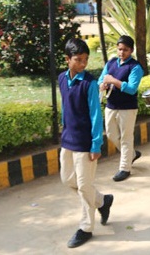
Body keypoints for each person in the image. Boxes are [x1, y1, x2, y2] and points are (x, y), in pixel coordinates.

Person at [59, 38, 113, 249]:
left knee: (83, 186)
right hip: (68, 139)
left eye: (85, 60)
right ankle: (102, 201)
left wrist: (96, 144)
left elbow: (95, 115)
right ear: (67, 59)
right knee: (67, 179)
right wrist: (63, 126)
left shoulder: (89, 83)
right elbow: (66, 105)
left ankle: (86, 228)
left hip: (85, 142)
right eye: (78, 60)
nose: (83, 64)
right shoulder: (62, 78)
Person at [98, 35, 143, 182]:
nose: (122, 52)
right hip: (111, 105)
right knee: (111, 134)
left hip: (127, 108)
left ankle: (125, 168)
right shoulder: (111, 63)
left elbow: (131, 89)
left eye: (125, 50)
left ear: (131, 50)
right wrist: (102, 84)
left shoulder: (135, 67)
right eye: (120, 49)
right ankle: (131, 155)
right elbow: (101, 78)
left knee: (126, 137)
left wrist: (114, 81)